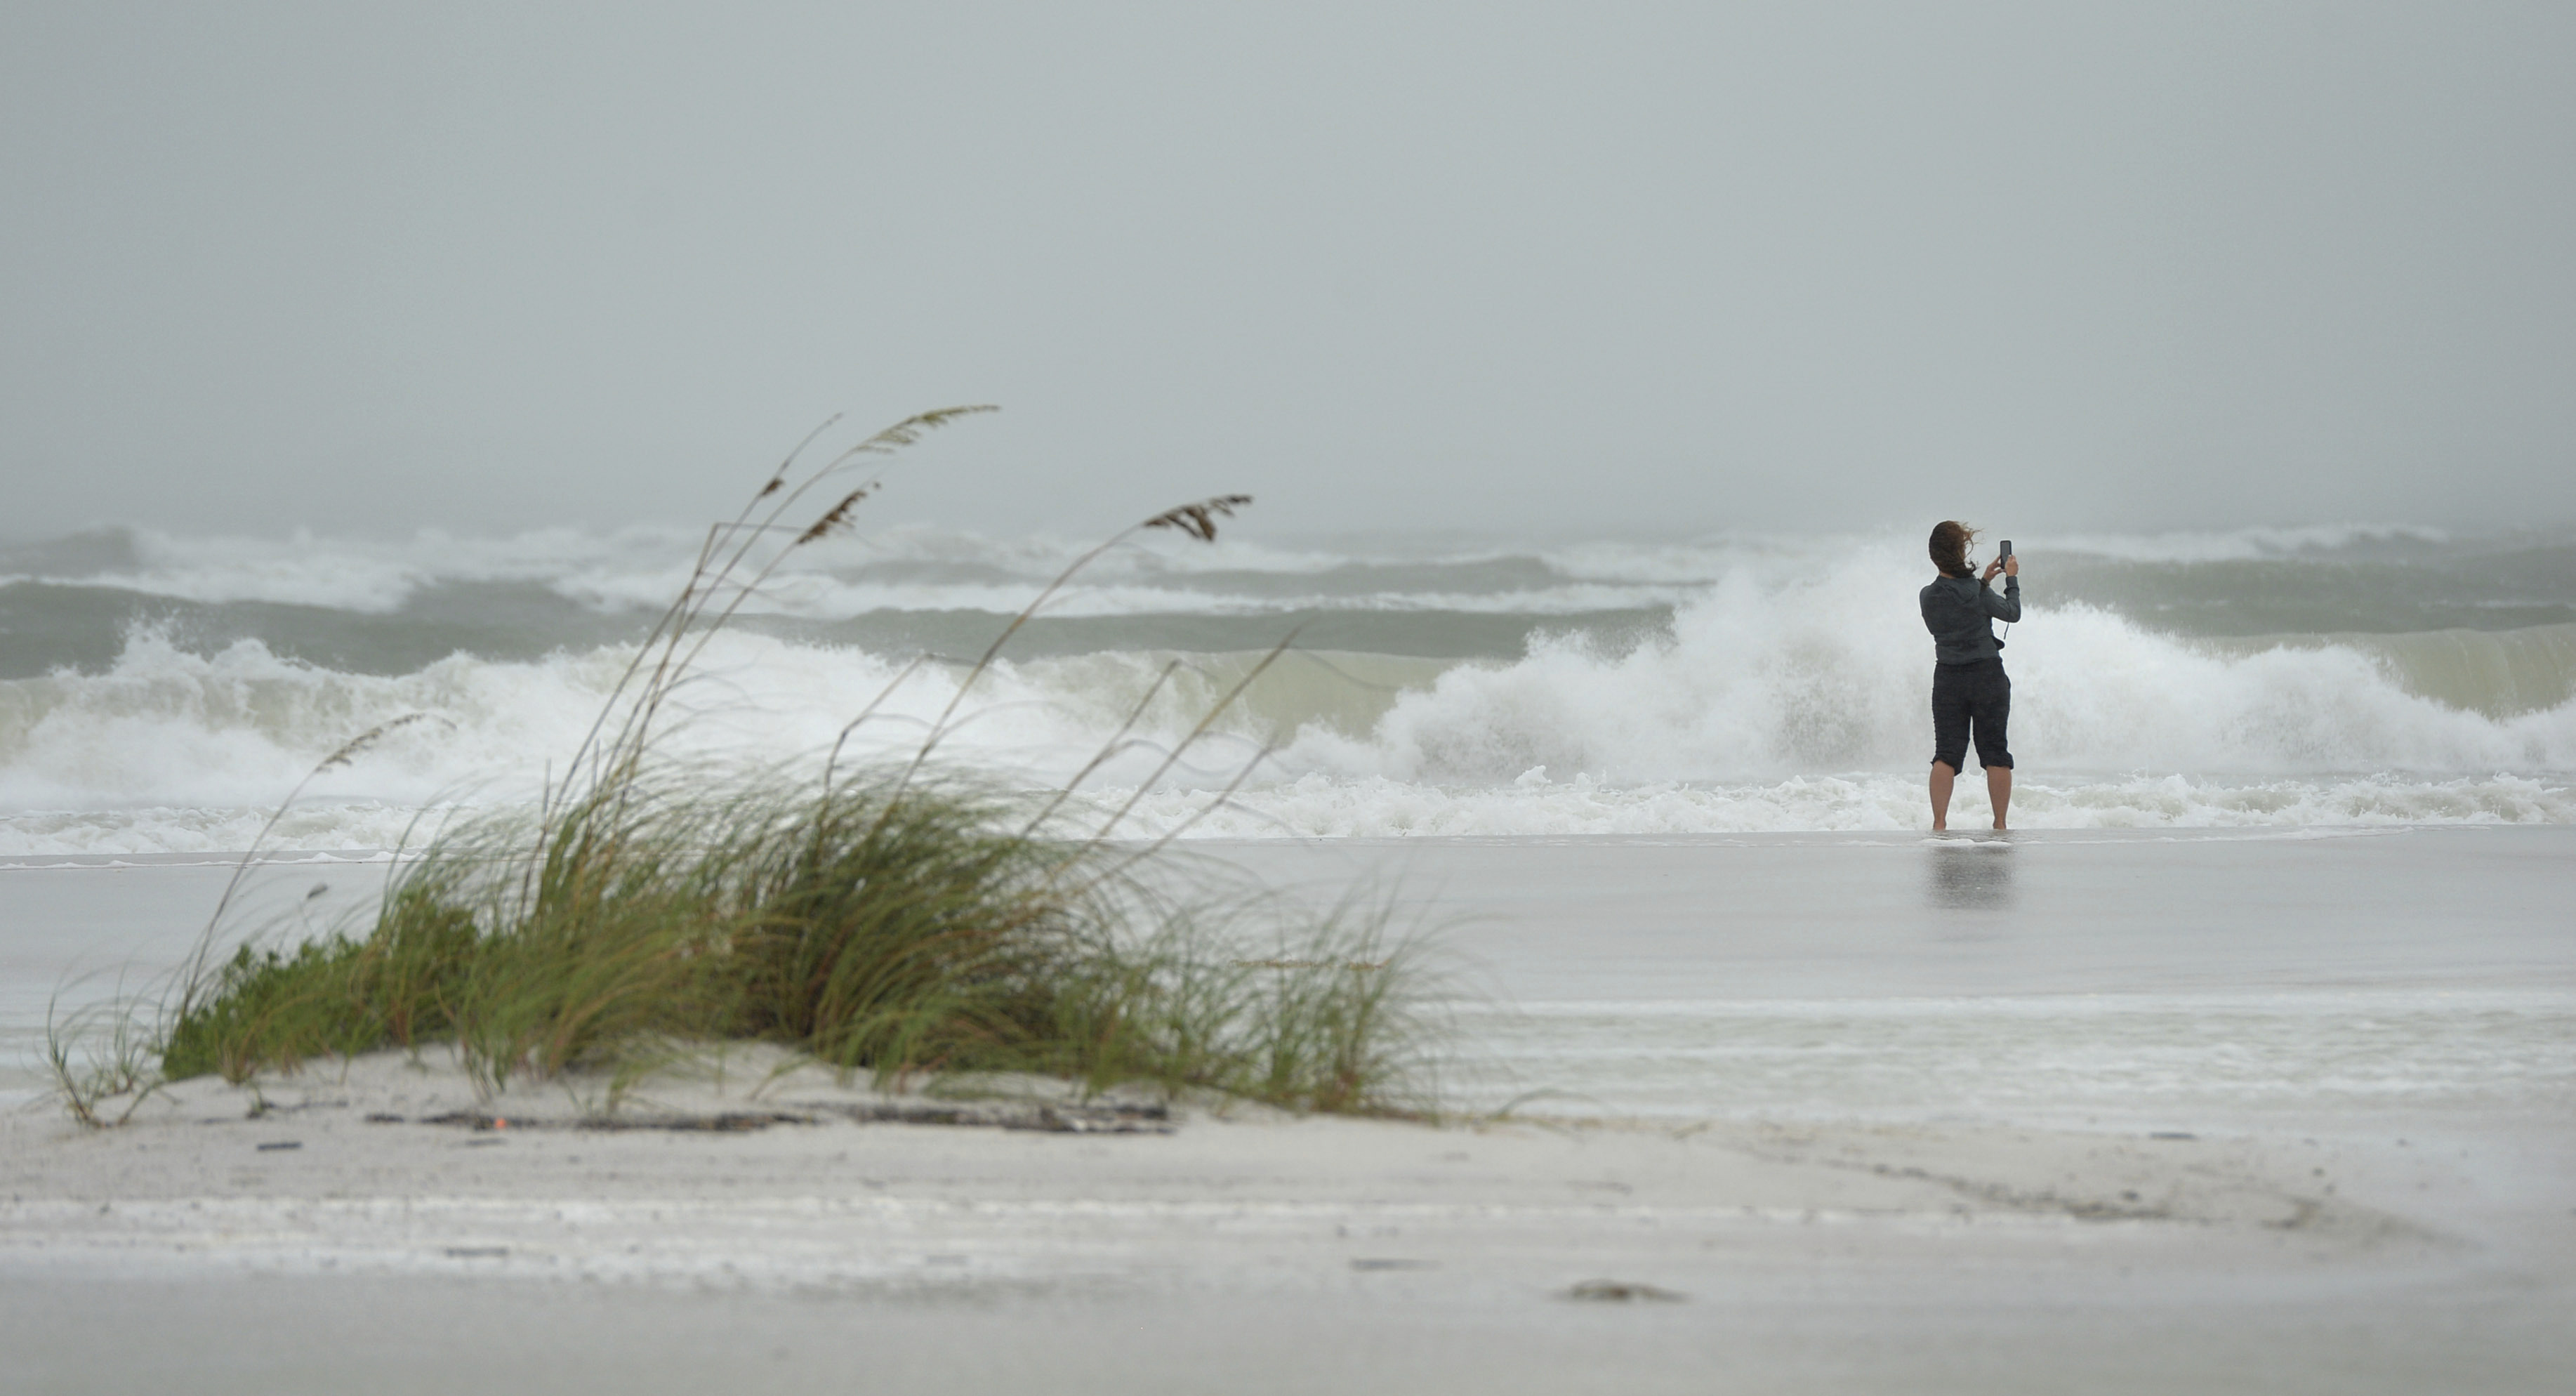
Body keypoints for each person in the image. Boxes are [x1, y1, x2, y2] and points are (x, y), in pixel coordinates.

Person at [1920, 520, 2019, 831]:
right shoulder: (1977, 592)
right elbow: (2012, 613)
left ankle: (1939, 824)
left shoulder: (1927, 596)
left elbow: (1958, 608)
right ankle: (2000, 825)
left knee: (1946, 754)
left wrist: (1984, 581)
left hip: (1948, 677)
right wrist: (2011, 580)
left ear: (1934, 556)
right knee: (1995, 752)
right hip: (1987, 676)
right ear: (1961, 552)